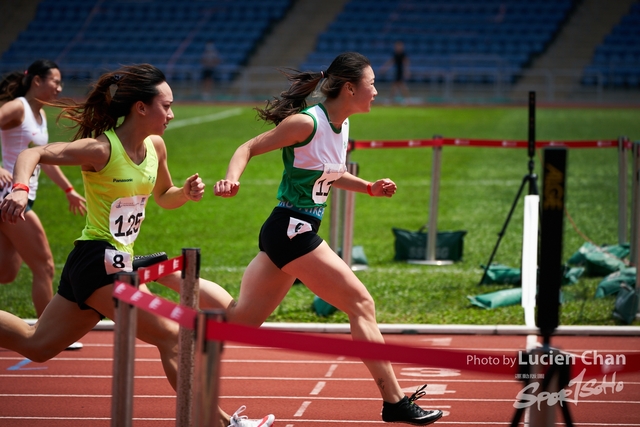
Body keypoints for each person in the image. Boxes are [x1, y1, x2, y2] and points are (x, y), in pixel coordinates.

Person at [0, 63, 273, 427]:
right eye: (166, 106)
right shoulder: (100, 149)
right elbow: (31, 154)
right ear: (140, 107)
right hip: (97, 263)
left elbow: (163, 196)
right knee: (173, 336)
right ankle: (223, 424)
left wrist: (186, 194)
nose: (172, 114)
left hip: (112, 263)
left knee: (38, 345)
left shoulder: (156, 146)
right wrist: (19, 190)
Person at [213, 52, 443, 425]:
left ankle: (168, 273)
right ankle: (395, 401)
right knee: (361, 304)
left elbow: (329, 173)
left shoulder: (343, 123)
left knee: (238, 322)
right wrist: (232, 178)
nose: (377, 91)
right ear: (350, 88)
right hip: (292, 230)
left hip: (289, 231)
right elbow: (248, 147)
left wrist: (368, 187)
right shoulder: (306, 122)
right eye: (371, 84)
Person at [0, 59, 87, 318]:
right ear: (37, 81)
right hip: (12, 196)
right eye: (55, 82)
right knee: (45, 267)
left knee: (6, 273)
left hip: (24, 196)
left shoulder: (39, 114)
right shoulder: (19, 107)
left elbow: (42, 158)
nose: (59, 88)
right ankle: (47, 333)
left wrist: (68, 189)